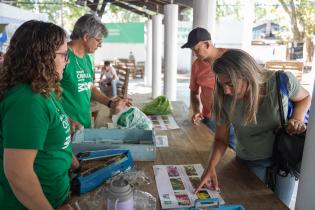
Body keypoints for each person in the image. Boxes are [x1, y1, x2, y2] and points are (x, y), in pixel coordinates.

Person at [195, 49, 311, 207]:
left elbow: (305, 97)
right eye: (222, 85)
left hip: (284, 161)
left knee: (279, 205)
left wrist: (297, 118)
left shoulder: (281, 81)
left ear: (247, 74)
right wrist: (211, 167)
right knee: (252, 205)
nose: (226, 91)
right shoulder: (222, 98)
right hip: (249, 161)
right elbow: (221, 139)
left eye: (230, 84)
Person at [0, 20, 74, 210]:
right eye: (64, 55)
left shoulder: (42, 88)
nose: (67, 61)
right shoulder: (28, 100)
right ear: (44, 56)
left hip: (57, 195)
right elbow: (18, 174)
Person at [60, 14, 131, 128]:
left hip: (84, 124)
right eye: (98, 40)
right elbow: (46, 94)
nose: (100, 45)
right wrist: (67, 120)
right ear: (86, 37)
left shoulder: (88, 58)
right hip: (66, 127)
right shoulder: (61, 56)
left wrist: (111, 103)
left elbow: (90, 87)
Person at [181, 27, 235, 149]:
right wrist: (196, 110)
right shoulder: (196, 65)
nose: (195, 54)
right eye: (192, 51)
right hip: (209, 118)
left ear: (206, 44)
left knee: (232, 154)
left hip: (232, 120)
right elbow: (194, 92)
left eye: (196, 49)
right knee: (207, 150)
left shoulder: (232, 57)